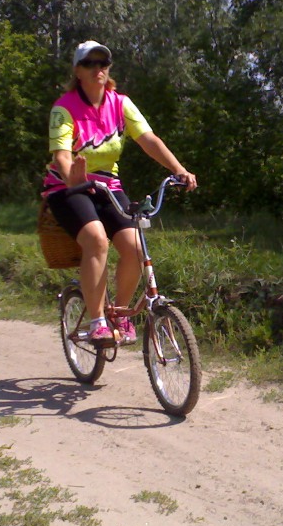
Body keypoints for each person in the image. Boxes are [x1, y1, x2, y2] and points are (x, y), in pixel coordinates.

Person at [42, 40, 197, 345]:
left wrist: (179, 169)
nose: (97, 69)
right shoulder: (64, 108)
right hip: (67, 188)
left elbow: (149, 139)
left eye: (103, 63)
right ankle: (97, 321)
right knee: (96, 239)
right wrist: (72, 177)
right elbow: (61, 155)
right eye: (89, 63)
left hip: (107, 187)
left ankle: (120, 315)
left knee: (135, 248)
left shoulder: (121, 103)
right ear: (77, 71)